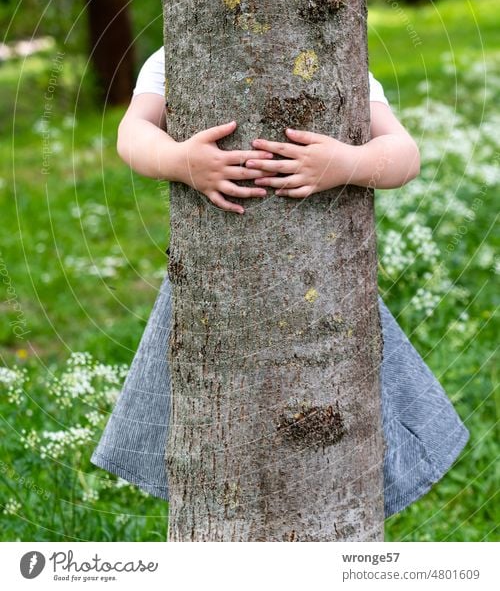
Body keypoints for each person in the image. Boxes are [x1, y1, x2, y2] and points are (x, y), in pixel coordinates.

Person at [90, 47, 469, 519]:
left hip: (325, 289)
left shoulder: (337, 53)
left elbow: (405, 155)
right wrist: (178, 160)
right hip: (214, 289)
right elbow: (132, 131)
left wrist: (346, 163)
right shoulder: (178, 53)